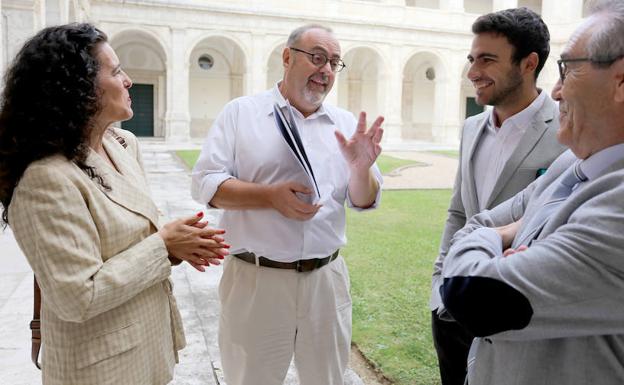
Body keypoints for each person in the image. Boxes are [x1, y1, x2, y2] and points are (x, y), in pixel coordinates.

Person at [0, 23, 228, 385]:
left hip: (145, 347)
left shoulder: (121, 144)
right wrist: (164, 245)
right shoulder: (45, 179)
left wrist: (181, 243)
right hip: (98, 368)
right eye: (116, 70)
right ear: (77, 87)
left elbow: (133, 230)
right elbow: (77, 296)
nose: (128, 81)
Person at [439, 0, 624, 383]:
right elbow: (470, 218)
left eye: (567, 69)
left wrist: (490, 237)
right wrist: (497, 241)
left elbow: (474, 296)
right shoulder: (570, 167)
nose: (555, 91)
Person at [191, 24, 383, 385]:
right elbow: (205, 183)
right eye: (317, 57)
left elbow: (364, 200)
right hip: (256, 280)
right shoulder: (241, 113)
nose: (326, 70)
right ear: (286, 57)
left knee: (326, 378)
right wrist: (268, 197)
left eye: (334, 62)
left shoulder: (344, 124)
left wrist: (361, 170)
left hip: (325, 282)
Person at [429, 7, 567, 385]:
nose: (473, 71)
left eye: (487, 59)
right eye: (472, 59)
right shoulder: (472, 128)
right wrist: (440, 291)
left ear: (529, 63)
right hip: (452, 312)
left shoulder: (567, 131)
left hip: (518, 316)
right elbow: (458, 212)